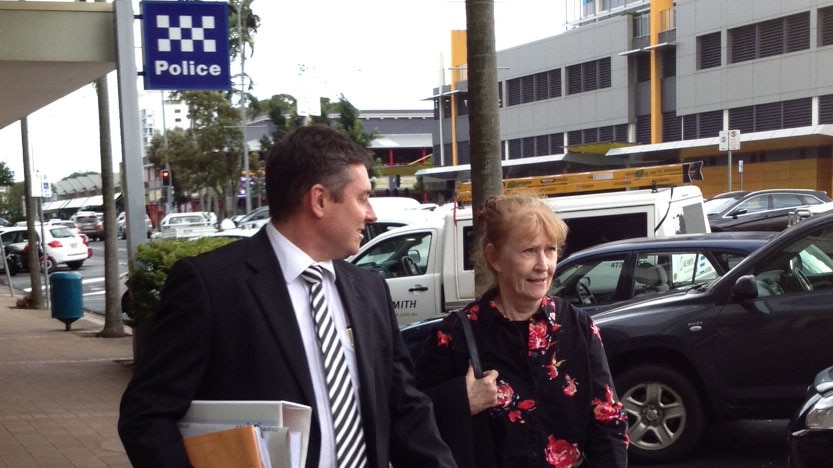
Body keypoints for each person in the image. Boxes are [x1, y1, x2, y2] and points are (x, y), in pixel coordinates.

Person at [118, 125, 457, 468]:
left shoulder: (370, 290)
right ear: (320, 200)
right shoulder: (211, 285)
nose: (372, 214)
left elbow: (405, 408)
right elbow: (146, 417)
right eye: (363, 197)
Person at [414, 195, 629, 468]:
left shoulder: (578, 327)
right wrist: (461, 400)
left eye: (550, 250)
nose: (543, 265)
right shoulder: (456, 335)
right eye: (529, 251)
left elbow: (608, 421)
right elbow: (410, 418)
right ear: (494, 257)